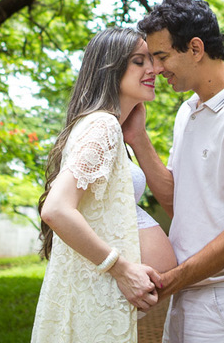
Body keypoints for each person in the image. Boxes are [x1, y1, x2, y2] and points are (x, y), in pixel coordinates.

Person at [123, 0, 224, 343]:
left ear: (195, 48)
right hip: (191, 293)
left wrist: (172, 280)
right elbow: (178, 204)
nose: (156, 69)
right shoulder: (189, 111)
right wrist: (137, 137)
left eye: (162, 56)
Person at [31, 27, 177, 343]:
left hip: (103, 299)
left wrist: (136, 133)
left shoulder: (109, 127)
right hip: (100, 294)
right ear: (110, 68)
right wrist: (122, 268)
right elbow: (55, 209)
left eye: (152, 59)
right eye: (139, 61)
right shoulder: (103, 125)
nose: (153, 69)